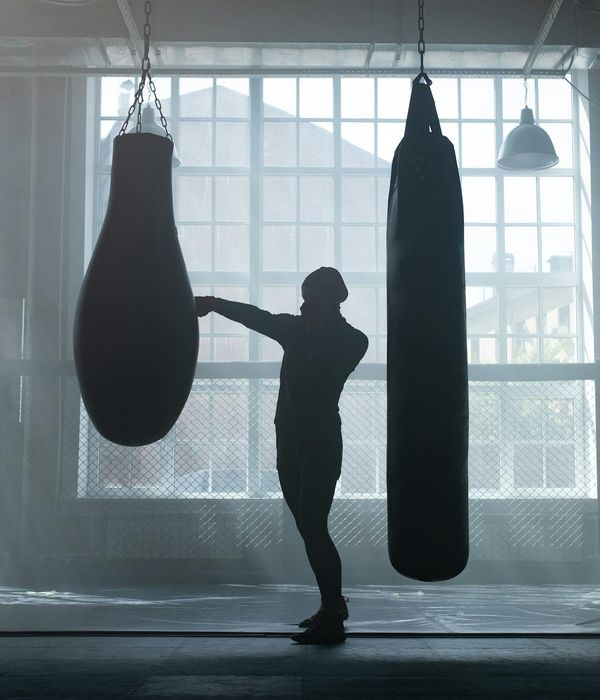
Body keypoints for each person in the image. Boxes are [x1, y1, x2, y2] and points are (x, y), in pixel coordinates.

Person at [195, 267, 368, 645]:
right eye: (304, 298)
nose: (304, 305)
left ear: (330, 301)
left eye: (311, 299)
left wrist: (311, 329)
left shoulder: (352, 341)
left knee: (314, 526)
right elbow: (256, 317)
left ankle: (333, 615)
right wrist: (214, 304)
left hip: (319, 442)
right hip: (289, 441)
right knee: (309, 528)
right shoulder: (297, 330)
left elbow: (323, 367)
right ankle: (332, 605)